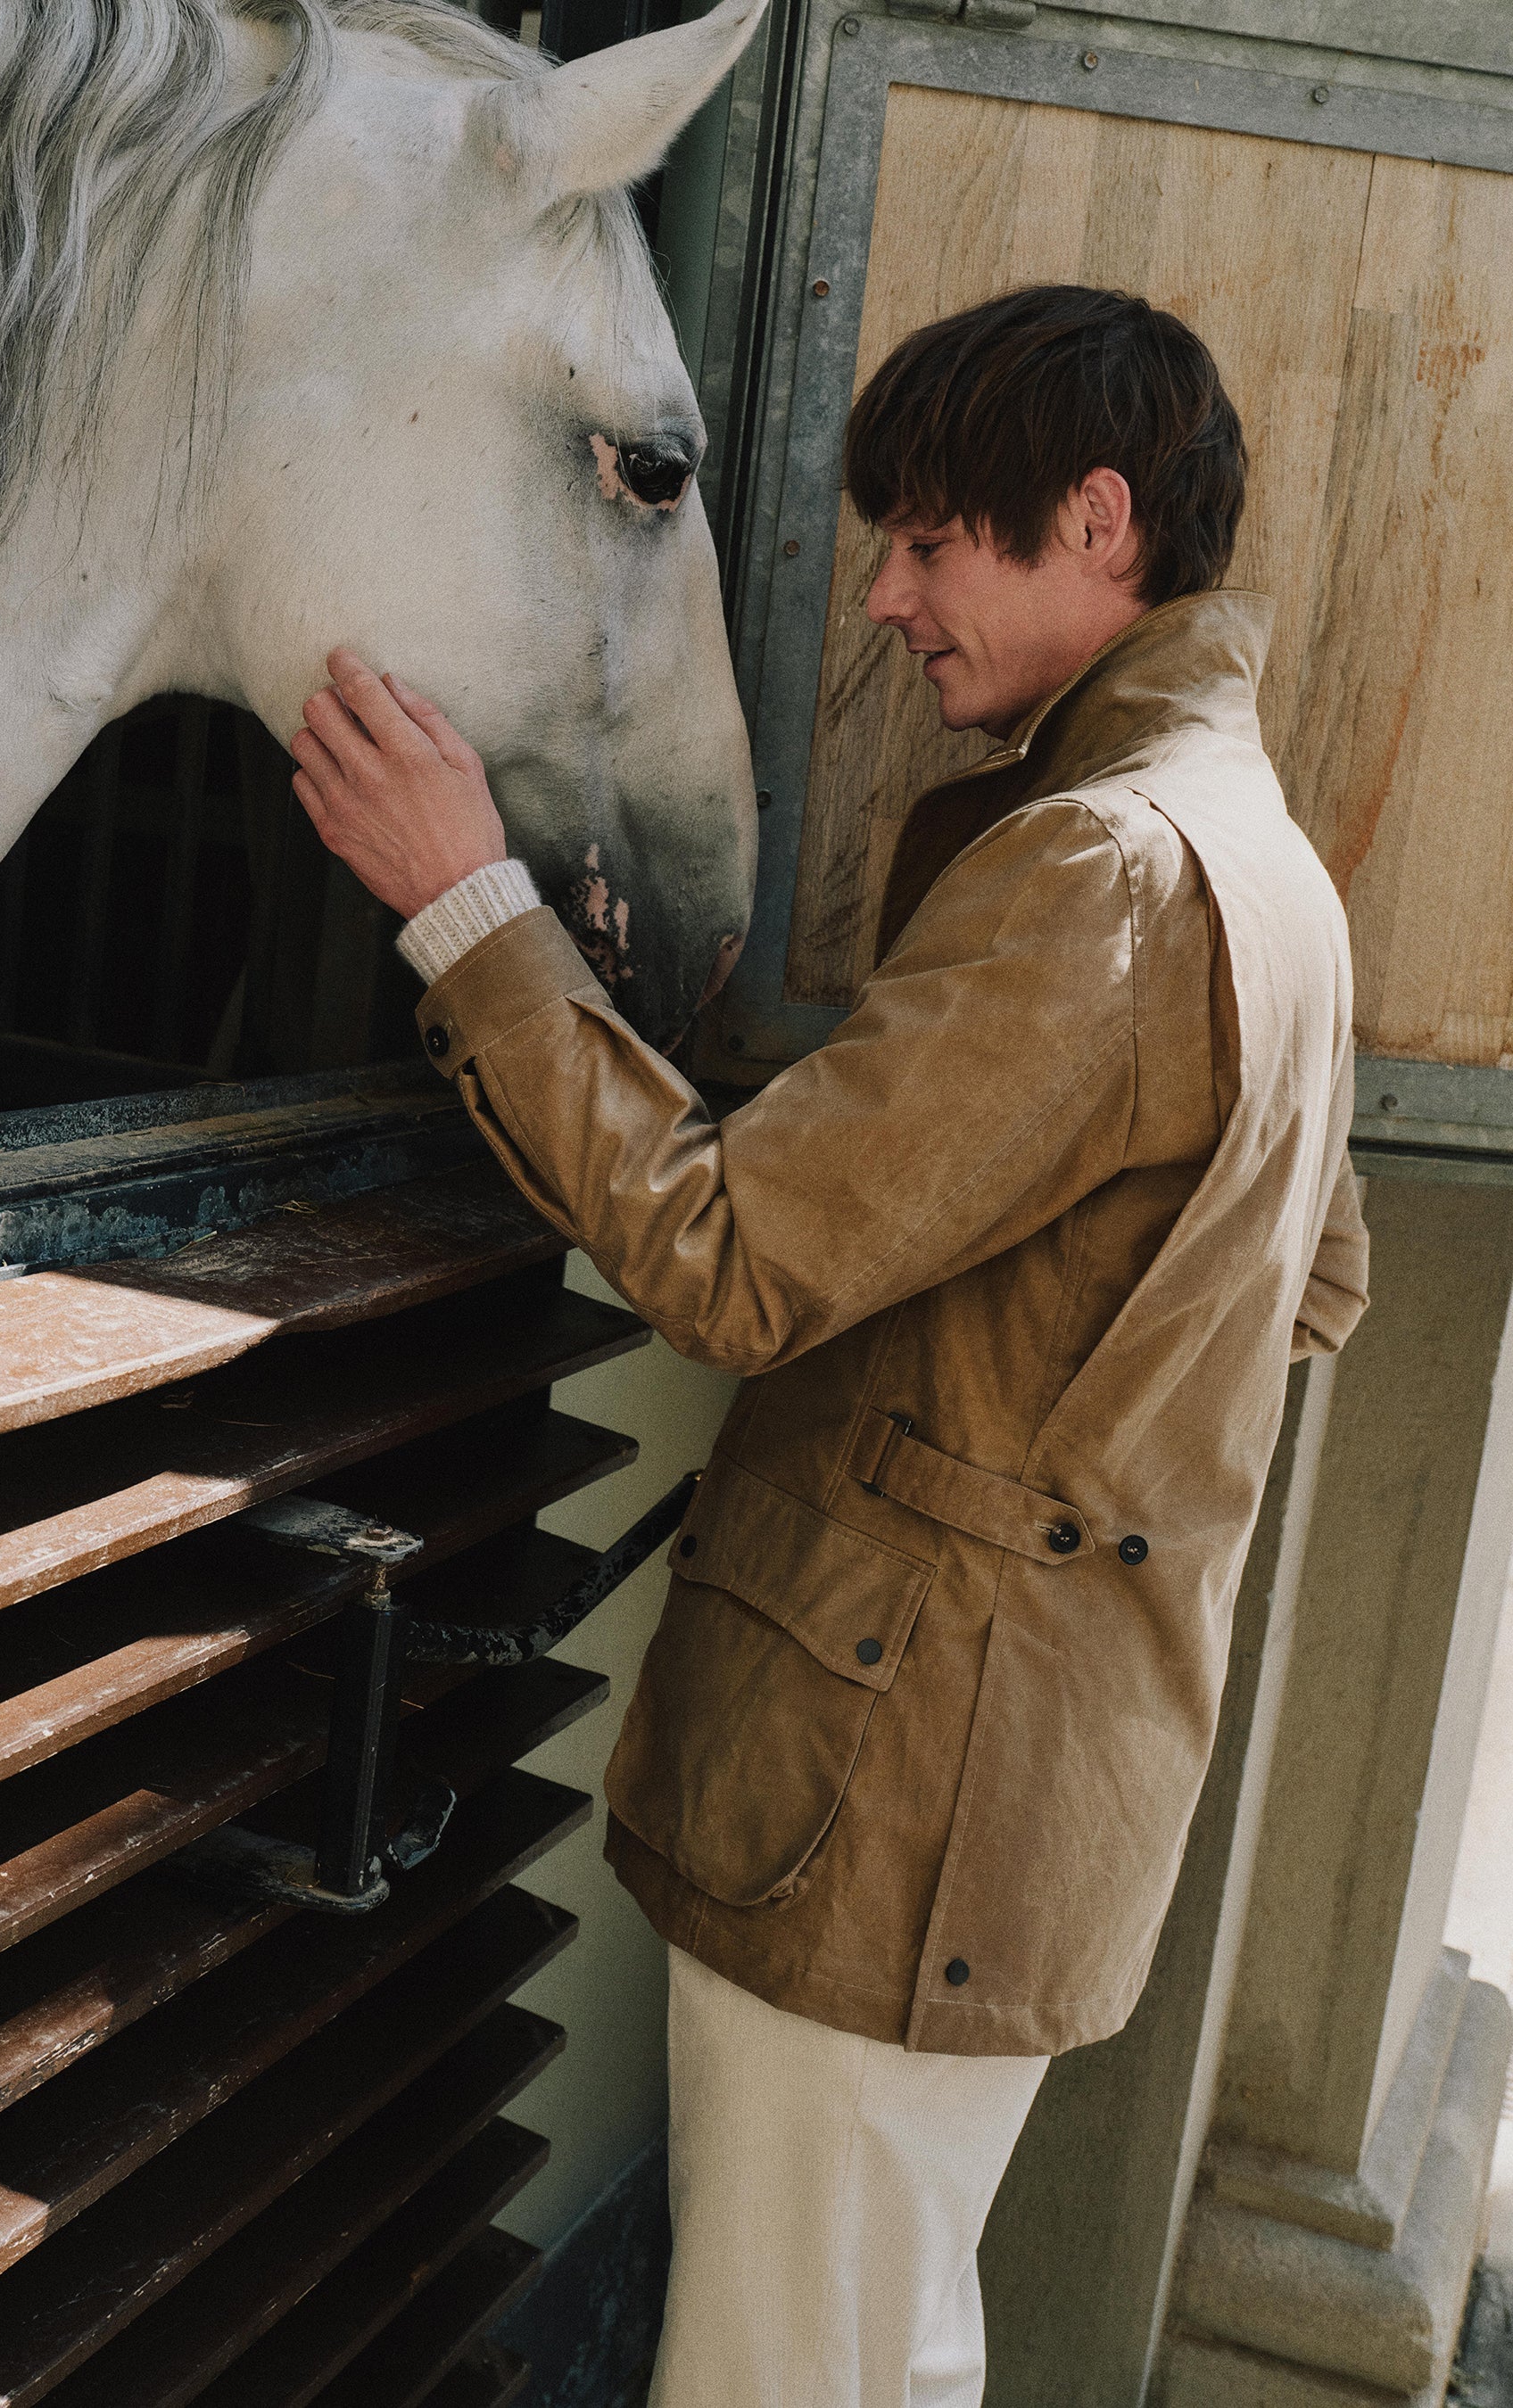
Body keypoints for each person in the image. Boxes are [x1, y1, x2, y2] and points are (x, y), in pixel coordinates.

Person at [286, 285, 1370, 2408]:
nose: (882, 597)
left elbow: (724, 1261)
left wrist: (464, 912)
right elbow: (1310, 1288)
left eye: (931, 540)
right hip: (1015, 1784)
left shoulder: (1110, 873)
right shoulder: (1269, 869)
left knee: (789, 2369)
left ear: (1096, 522)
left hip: (902, 1789)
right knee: (877, 2347)